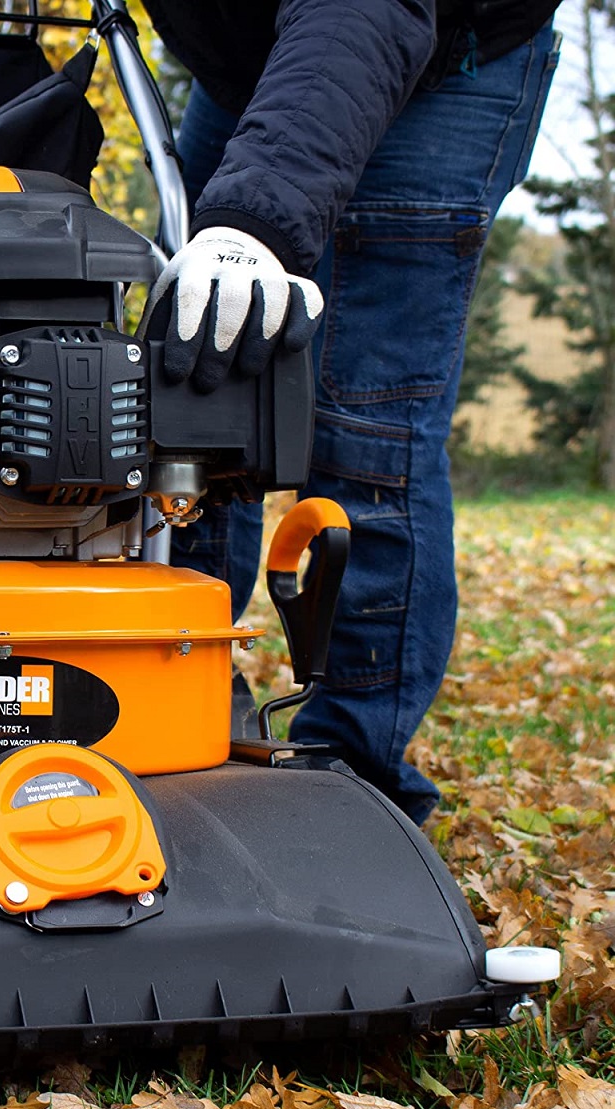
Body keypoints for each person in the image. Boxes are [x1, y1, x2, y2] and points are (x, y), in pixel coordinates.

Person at [137, 0, 562, 824]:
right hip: (255, 58)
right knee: (186, 376)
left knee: (369, 421)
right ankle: (175, 690)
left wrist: (253, 220)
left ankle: (350, 780)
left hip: (440, 52)